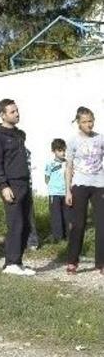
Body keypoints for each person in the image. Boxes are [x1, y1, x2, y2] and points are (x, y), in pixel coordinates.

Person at [0, 99, 36, 276]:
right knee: (15, 224)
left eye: (17, 110)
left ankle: (18, 261)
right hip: (11, 185)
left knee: (26, 225)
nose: (17, 114)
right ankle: (11, 263)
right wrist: (3, 186)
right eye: (12, 112)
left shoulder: (20, 134)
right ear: (2, 114)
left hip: (24, 182)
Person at [64, 107, 104, 276]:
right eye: (85, 122)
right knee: (78, 225)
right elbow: (69, 167)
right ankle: (73, 262)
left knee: (102, 224)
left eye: (90, 120)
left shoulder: (101, 139)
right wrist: (68, 191)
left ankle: (101, 263)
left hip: (99, 185)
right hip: (79, 185)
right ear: (78, 123)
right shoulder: (73, 141)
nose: (89, 124)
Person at [44, 138, 69, 242]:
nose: (62, 152)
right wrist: (53, 186)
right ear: (53, 151)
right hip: (54, 194)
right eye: (59, 150)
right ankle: (58, 238)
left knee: (67, 215)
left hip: (66, 193)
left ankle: (68, 236)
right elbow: (46, 178)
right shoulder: (50, 164)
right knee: (56, 216)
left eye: (64, 150)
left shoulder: (67, 163)